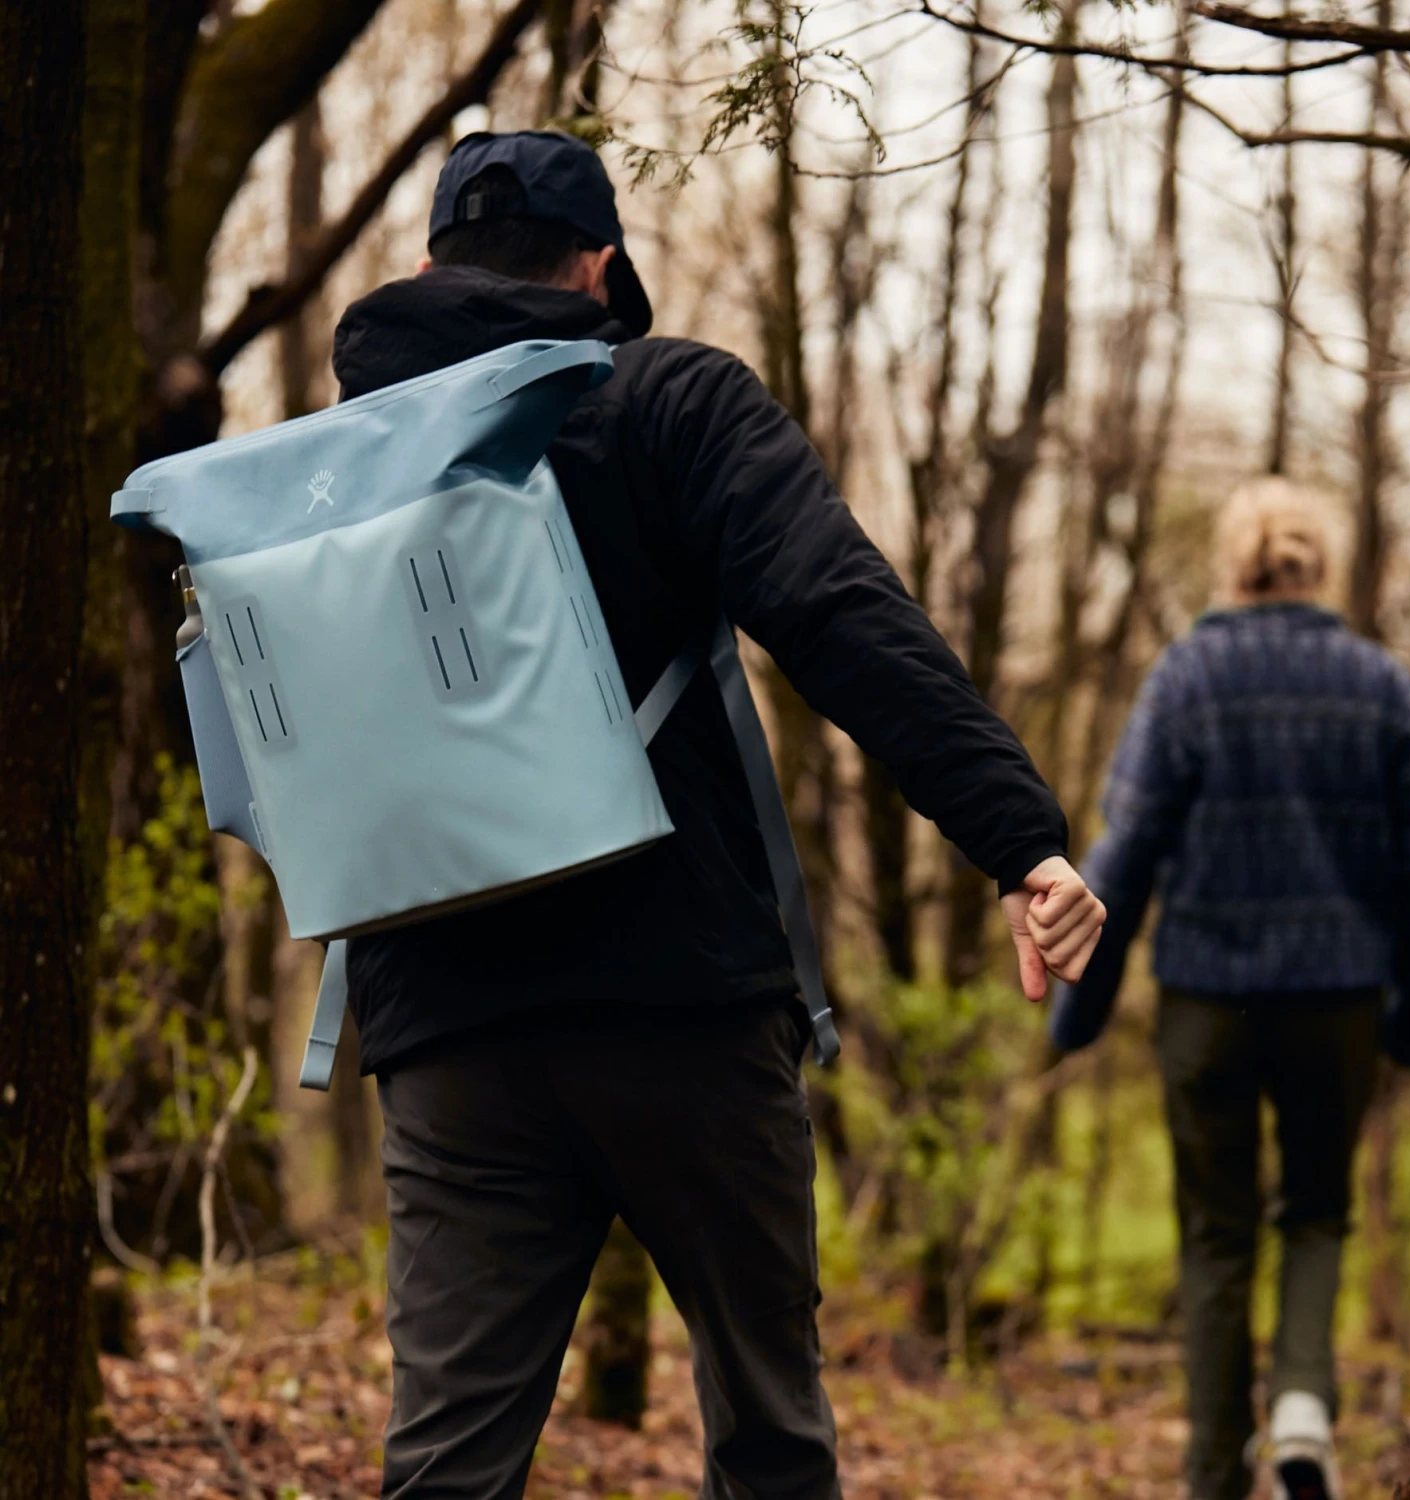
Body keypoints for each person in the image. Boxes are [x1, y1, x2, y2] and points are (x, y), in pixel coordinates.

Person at [332, 130, 1106, 1500]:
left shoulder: (338, 460)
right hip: (680, 1001)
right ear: (601, 268)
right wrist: (1018, 839)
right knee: (769, 1440)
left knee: (444, 1466)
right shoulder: (671, 398)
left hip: (445, 1018)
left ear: (423, 269)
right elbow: (837, 613)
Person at [1050, 477, 1410, 1500]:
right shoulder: (1380, 685)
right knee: (1317, 1215)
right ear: (1318, 563)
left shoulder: (1187, 679)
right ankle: (1301, 1421)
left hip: (1207, 1007)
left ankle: (1210, 1474)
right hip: (1341, 1003)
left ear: (1234, 563)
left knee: (1216, 1235)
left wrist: (1080, 1010)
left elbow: (1127, 851)